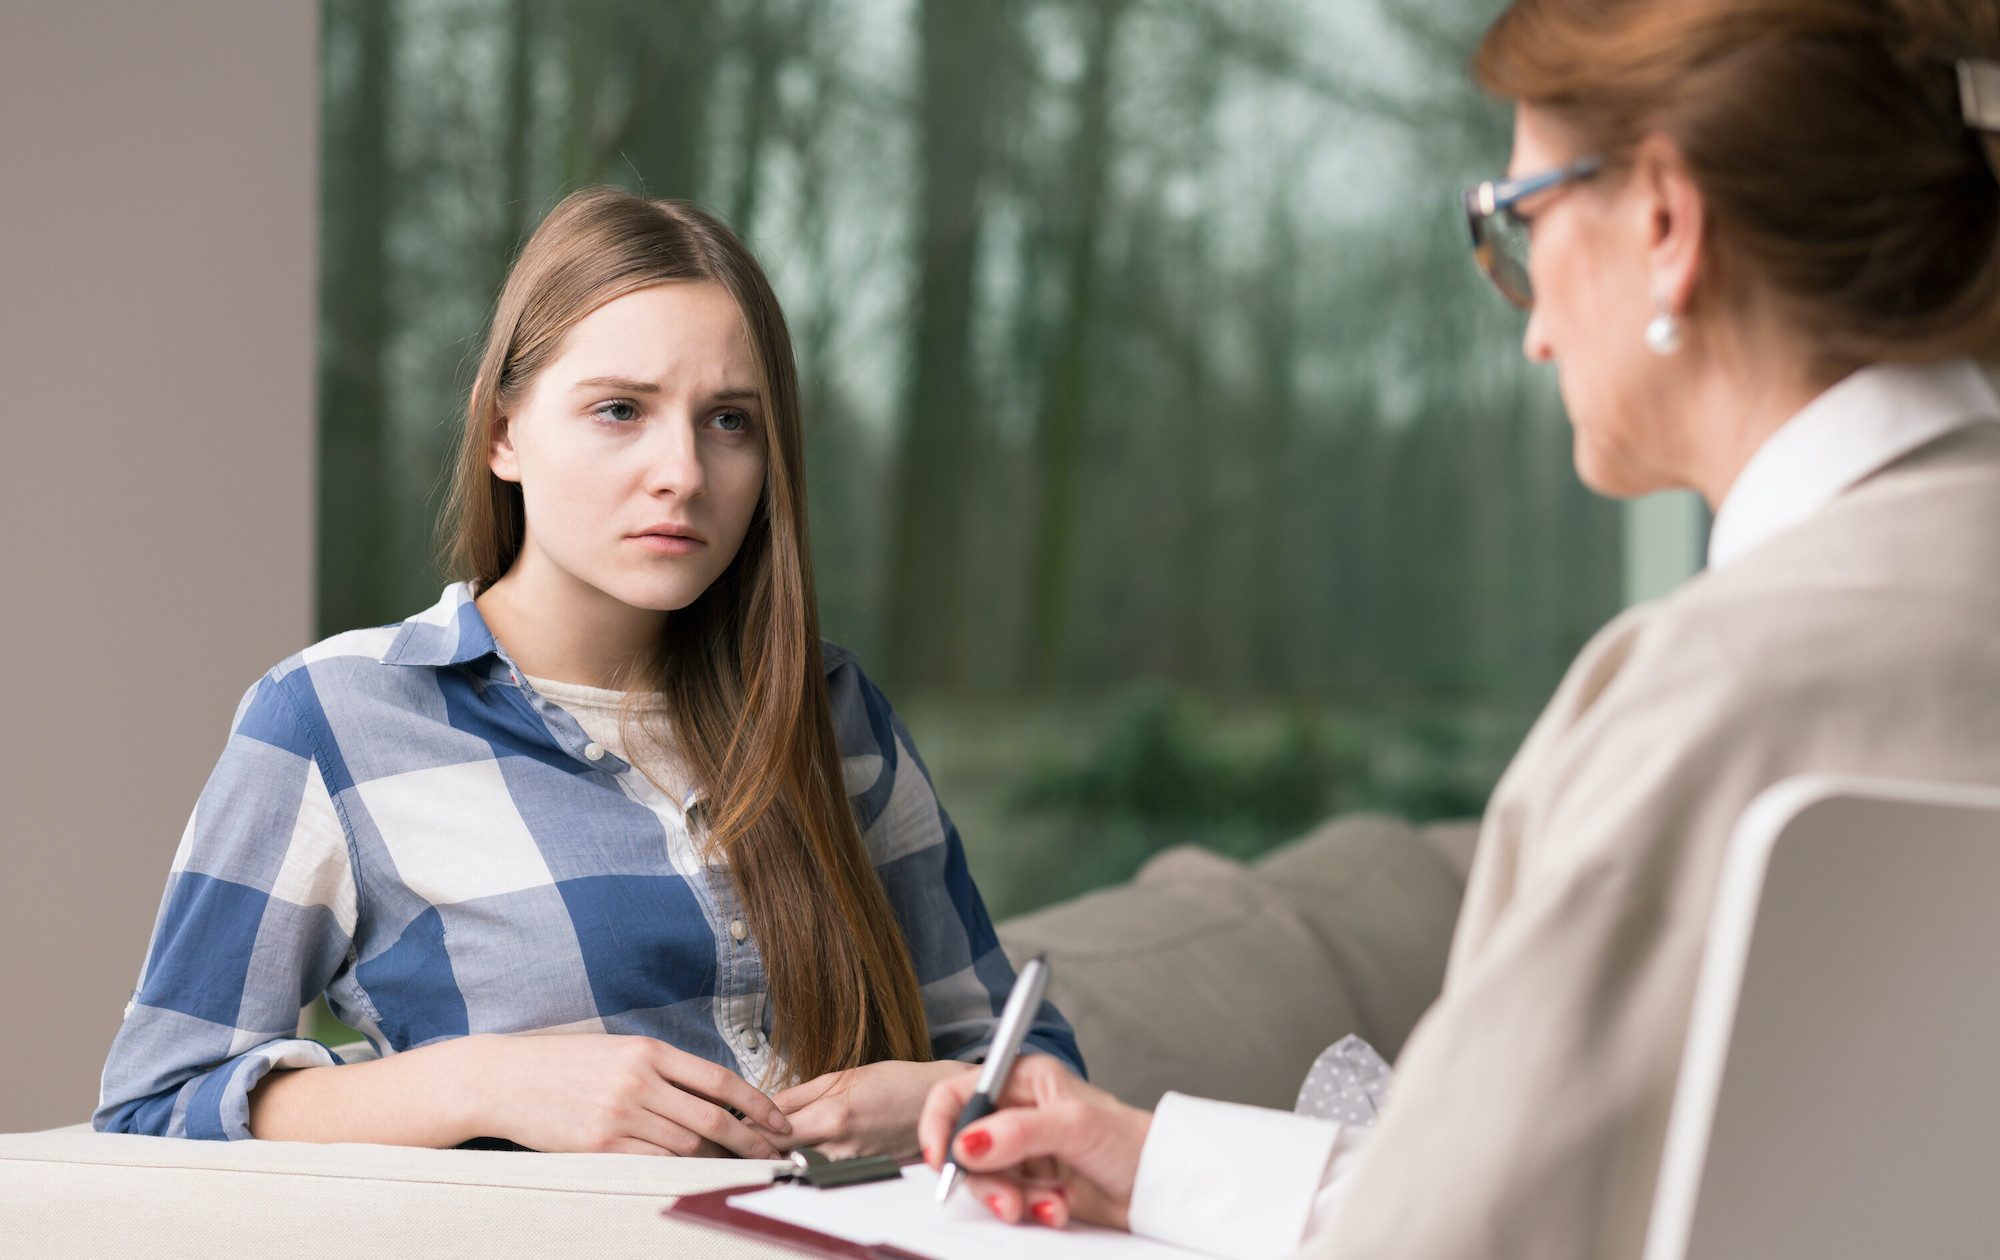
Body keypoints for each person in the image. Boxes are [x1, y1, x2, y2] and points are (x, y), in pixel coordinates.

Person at [918, 0, 2000, 1255]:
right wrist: (1163, 1165)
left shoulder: (1712, 695)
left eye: (1517, 220)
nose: (1531, 322)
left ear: (1663, 220)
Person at [95, 187, 1081, 1158]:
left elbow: (1029, 1069)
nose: (684, 472)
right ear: (502, 434)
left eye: (730, 421)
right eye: (619, 409)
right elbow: (154, 1105)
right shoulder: (333, 716)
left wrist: (941, 1102)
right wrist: (478, 1083)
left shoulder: (831, 714)